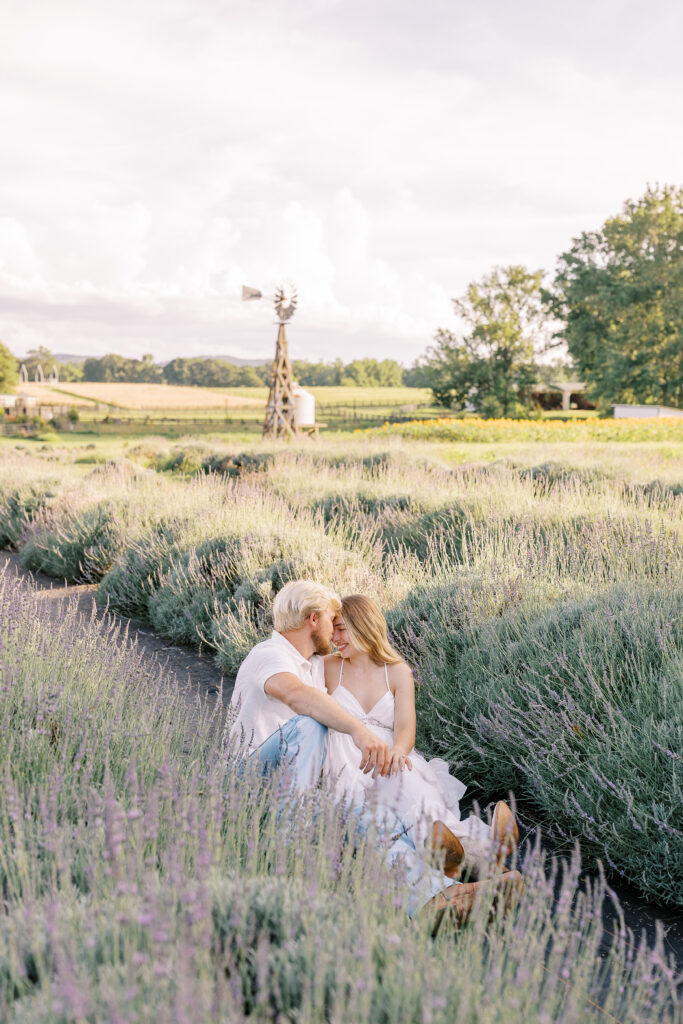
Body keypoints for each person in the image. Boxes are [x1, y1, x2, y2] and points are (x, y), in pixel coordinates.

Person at [229, 579, 523, 926]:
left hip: (310, 779)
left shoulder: (313, 663)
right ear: (312, 619)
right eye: (330, 620)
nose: (334, 631)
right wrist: (357, 730)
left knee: (371, 817)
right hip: (252, 783)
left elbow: (402, 728)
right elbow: (298, 698)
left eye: (342, 625)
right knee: (313, 727)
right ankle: (295, 835)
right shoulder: (271, 655)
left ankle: (442, 892)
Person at [322, 594, 520, 881]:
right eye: (333, 629)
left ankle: (463, 851)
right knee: (386, 802)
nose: (334, 637)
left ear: (363, 625)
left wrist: (399, 753)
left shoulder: (397, 672)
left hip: (389, 754)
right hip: (347, 757)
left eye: (341, 629)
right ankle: (482, 853)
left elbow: (405, 728)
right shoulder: (328, 667)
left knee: (408, 784)